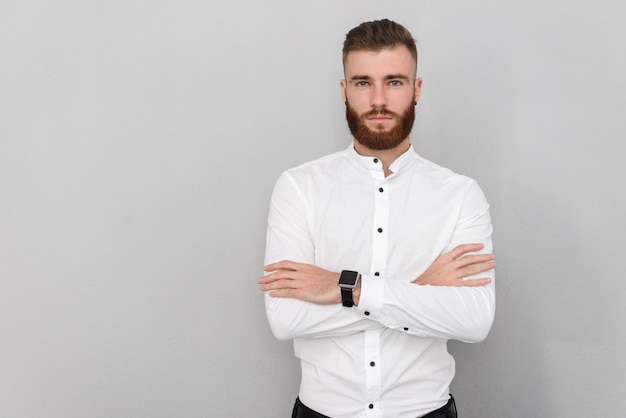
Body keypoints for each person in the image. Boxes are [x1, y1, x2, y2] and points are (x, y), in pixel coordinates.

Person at [258, 19, 495, 418]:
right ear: (344, 90)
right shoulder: (298, 187)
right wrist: (418, 289)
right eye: (363, 82)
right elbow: (286, 318)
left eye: (395, 82)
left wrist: (345, 287)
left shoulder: (460, 194)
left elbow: (474, 321)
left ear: (417, 89)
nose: (379, 99)